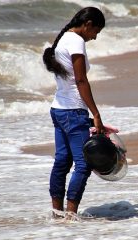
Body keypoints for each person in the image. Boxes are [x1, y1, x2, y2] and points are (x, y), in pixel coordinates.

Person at [42, 7, 106, 216]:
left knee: (62, 161)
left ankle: (56, 213)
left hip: (58, 109)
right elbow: (80, 80)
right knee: (83, 164)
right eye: (95, 31)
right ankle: (70, 215)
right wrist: (95, 114)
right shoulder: (76, 41)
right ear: (87, 24)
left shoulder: (63, 39)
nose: (95, 37)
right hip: (73, 111)